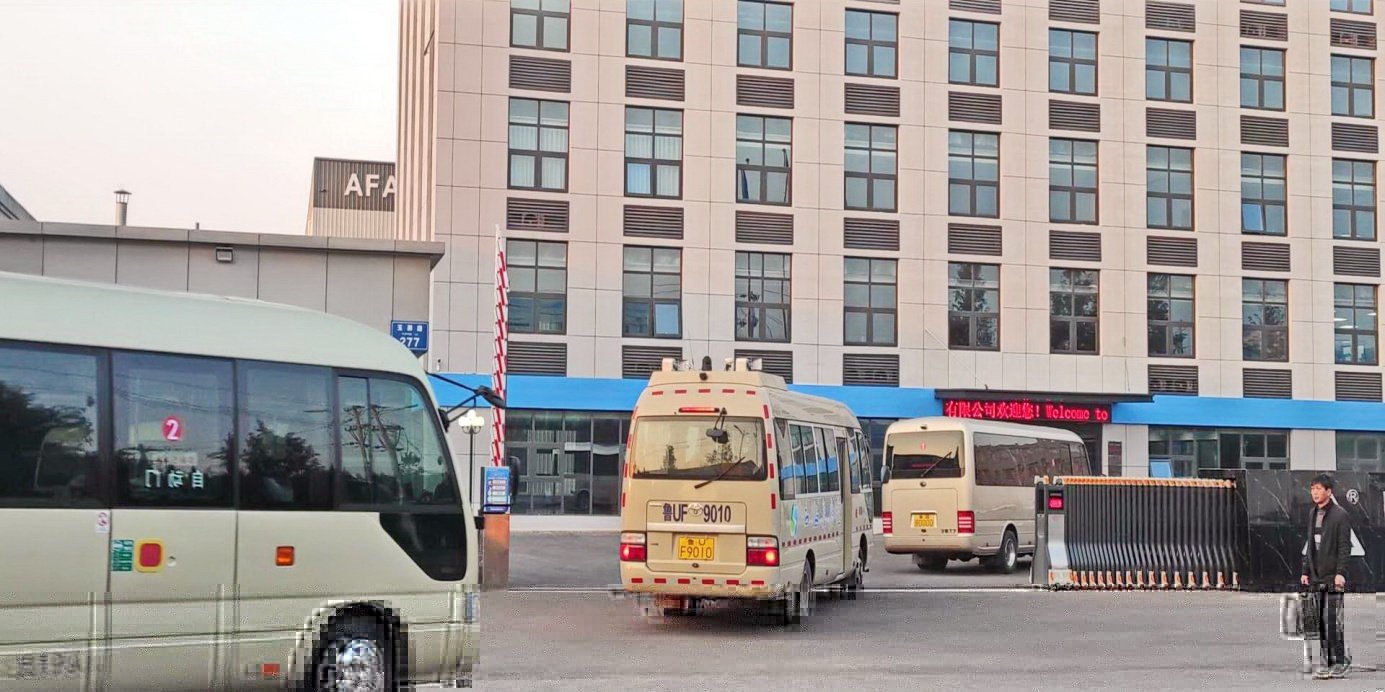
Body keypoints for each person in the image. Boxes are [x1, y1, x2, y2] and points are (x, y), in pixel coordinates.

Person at [1300, 473, 1351, 679]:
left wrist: (1340, 573)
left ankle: (1339, 662)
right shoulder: (1312, 513)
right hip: (1316, 575)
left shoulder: (1340, 515)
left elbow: (1345, 547)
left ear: (1329, 492)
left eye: (1319, 489)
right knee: (1319, 622)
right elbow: (1310, 544)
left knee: (1332, 621)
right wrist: (1305, 570)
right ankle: (1326, 662)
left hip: (1333, 576)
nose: (1315, 492)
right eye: (1312, 489)